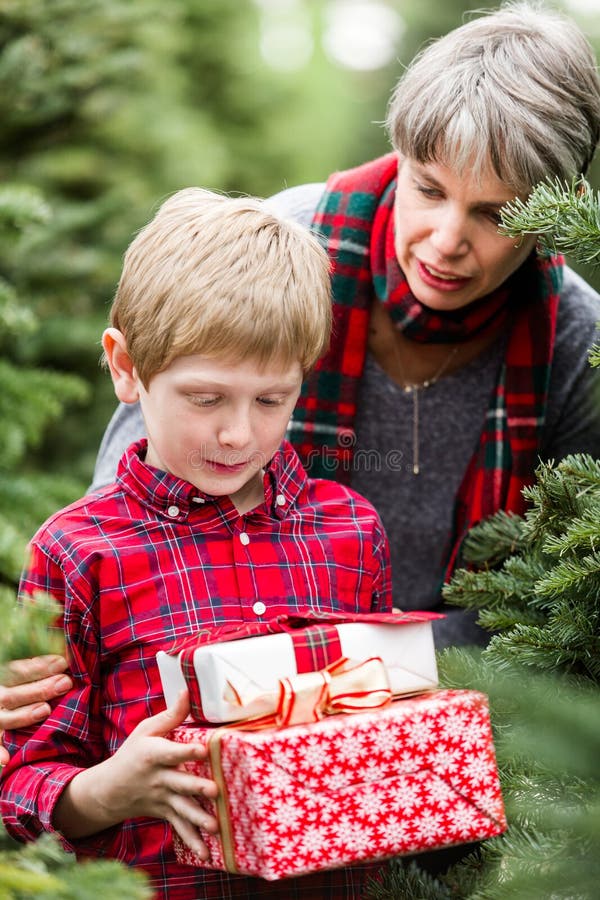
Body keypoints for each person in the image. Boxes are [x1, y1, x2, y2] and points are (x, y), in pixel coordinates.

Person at [2, 0, 600, 749]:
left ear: (557, 211)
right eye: (429, 189)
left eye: (495, 214)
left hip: (435, 700)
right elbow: (126, 505)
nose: (447, 240)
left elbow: (550, 602)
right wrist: (55, 644)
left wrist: (368, 678)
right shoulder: (291, 253)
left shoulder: (573, 342)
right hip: (216, 666)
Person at [0, 188, 392, 899]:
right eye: (206, 398)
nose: (239, 433)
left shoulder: (351, 533)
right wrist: (105, 793)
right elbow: (21, 779)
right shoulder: (77, 552)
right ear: (126, 367)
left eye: (272, 400)